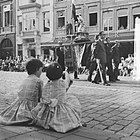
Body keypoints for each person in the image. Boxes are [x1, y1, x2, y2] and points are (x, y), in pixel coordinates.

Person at [31, 62, 82, 133]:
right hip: (60, 107)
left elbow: (44, 96)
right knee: (72, 100)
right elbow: (69, 81)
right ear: (61, 74)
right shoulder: (62, 83)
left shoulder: (47, 85)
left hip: (48, 109)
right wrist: (66, 73)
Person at [0, 58, 44, 125]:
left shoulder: (25, 79)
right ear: (37, 69)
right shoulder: (38, 81)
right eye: (41, 70)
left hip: (20, 103)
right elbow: (40, 97)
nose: (41, 72)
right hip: (30, 106)